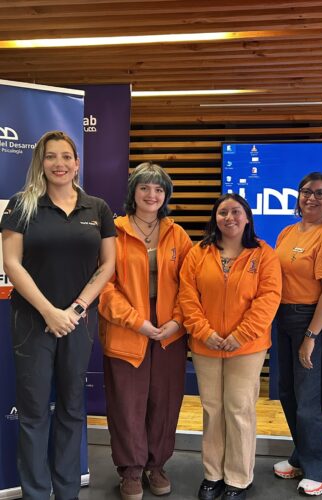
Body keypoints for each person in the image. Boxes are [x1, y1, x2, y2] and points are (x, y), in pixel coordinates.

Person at [0, 130, 116, 500]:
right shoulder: (22, 205)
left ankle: (67, 492)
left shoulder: (97, 208)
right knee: (33, 412)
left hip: (78, 322)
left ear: (77, 163)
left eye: (66, 156)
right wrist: (50, 312)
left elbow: (108, 265)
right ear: (41, 162)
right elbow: (12, 264)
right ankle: (36, 494)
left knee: (71, 408)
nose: (59, 164)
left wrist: (76, 309)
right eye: (51, 156)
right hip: (32, 321)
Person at [98, 162, 192, 500]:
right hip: (127, 327)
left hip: (170, 332)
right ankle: (132, 470)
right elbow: (103, 286)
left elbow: (190, 285)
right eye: (144, 188)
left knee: (164, 401)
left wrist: (177, 321)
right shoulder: (113, 230)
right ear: (133, 192)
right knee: (127, 403)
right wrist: (136, 321)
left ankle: (156, 465)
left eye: (158, 189)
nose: (152, 195)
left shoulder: (178, 235)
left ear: (166, 195)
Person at [179, 193, 281, 500]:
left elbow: (269, 298)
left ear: (247, 218)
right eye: (223, 212)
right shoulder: (198, 253)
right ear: (215, 218)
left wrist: (241, 334)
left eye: (236, 211)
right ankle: (213, 474)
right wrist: (203, 331)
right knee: (212, 409)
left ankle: (238, 477)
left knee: (238, 408)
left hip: (247, 347)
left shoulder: (264, 254)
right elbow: (187, 296)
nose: (229, 217)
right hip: (205, 344)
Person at [273, 172, 322, 497]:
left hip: (314, 319)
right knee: (287, 392)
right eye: (306, 191)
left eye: (319, 193)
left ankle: (320, 468)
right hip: (284, 317)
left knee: (309, 399)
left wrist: (311, 335)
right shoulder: (287, 231)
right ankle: (302, 454)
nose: (311, 198)